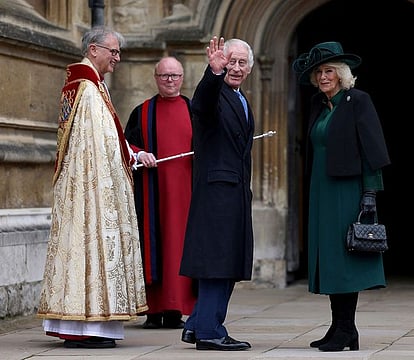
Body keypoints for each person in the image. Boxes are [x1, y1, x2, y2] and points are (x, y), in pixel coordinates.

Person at [36, 26, 155, 349]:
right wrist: (125, 164)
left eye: (118, 52)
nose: (117, 58)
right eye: (113, 51)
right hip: (91, 192)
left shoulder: (91, 86)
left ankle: (86, 326)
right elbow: (95, 148)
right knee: (91, 247)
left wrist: (133, 154)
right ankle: (85, 328)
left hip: (86, 187)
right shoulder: (86, 90)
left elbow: (109, 138)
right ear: (93, 50)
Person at [292, 41, 391, 352]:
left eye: (329, 71)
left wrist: (370, 193)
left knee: (345, 261)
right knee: (331, 260)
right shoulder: (320, 105)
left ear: (342, 74)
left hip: (347, 191)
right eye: (319, 72)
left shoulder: (358, 101)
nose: (323, 77)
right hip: (322, 190)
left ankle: (346, 329)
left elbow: (371, 150)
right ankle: (340, 327)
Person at [178, 35, 255, 351]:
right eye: (230, 61)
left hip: (234, 193)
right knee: (217, 262)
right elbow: (202, 104)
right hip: (217, 194)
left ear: (249, 68)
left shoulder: (240, 97)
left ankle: (197, 325)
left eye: (241, 63)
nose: (235, 68)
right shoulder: (217, 93)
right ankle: (210, 331)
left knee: (228, 261)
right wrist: (212, 73)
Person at [124, 56, 197, 330]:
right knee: (153, 246)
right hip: (152, 195)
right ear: (156, 78)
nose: (170, 81)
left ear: (182, 78)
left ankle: (176, 310)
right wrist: (140, 154)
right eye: (165, 76)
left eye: (175, 76)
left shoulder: (195, 110)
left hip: (187, 196)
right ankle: (153, 311)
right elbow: (125, 145)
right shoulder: (142, 112)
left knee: (180, 248)